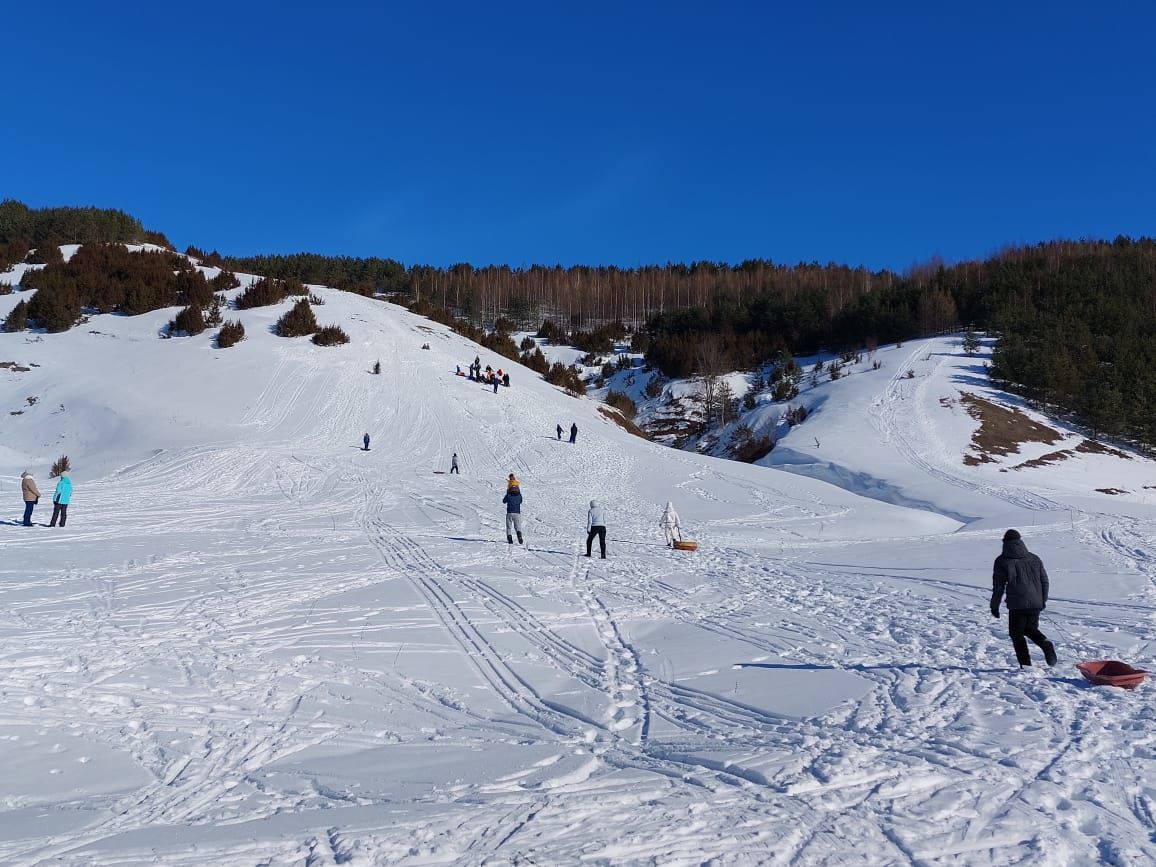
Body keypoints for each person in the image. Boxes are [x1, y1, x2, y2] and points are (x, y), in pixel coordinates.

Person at [991, 529, 1057, 668]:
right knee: (1030, 629)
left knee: (1016, 634)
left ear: (1005, 543)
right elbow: (1044, 581)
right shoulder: (1034, 558)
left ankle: (1025, 665)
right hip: (1036, 602)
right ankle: (1045, 644)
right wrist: (1042, 600)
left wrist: (994, 606)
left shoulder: (1002, 561)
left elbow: (999, 587)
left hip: (1017, 603)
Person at [502, 479, 524, 545]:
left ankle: (510, 540)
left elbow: (504, 501)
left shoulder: (508, 495)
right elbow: (520, 501)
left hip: (509, 513)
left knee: (509, 527)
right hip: (517, 513)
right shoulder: (519, 495)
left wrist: (508, 493)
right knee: (518, 527)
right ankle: (519, 535)